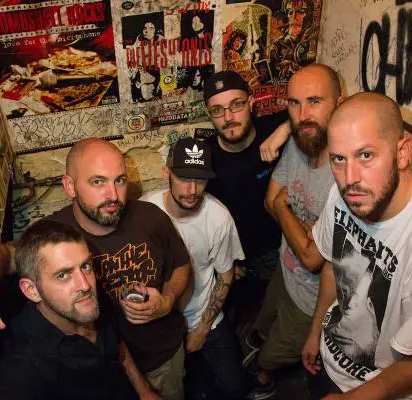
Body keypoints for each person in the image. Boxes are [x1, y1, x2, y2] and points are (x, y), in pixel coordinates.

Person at [0, 139, 191, 400]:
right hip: (105, 369)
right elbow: (10, 256)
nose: (113, 195)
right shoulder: (57, 236)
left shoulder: (150, 216)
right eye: (97, 182)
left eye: (119, 180)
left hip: (162, 357)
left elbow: (181, 264)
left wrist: (166, 301)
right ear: (70, 186)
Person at [304, 92, 412, 399]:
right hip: (330, 361)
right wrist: (316, 329)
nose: (349, 179)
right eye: (339, 159)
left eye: (366, 155)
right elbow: (333, 265)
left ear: (402, 153)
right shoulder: (343, 196)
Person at [244, 64, 344, 399]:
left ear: (339, 103)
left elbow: (313, 259)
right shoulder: (300, 141)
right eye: (294, 103)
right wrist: (302, 234)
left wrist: (284, 209)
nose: (303, 115)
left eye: (314, 101)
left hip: (311, 301)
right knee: (262, 324)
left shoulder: (344, 176)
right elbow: (267, 201)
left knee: (273, 355)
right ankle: (256, 348)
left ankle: (264, 378)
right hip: (285, 271)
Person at [0, 219, 151, 399]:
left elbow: (116, 343)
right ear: (32, 290)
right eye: (63, 275)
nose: (85, 285)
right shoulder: (24, 370)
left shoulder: (87, 299)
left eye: (86, 266)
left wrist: (144, 391)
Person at [141, 138, 248, 399]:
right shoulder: (146, 211)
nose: (192, 189)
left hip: (204, 318)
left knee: (234, 388)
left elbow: (225, 275)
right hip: (162, 324)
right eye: (184, 178)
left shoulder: (218, 217)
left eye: (200, 180)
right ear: (166, 173)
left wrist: (202, 329)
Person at [202, 70, 288, 328]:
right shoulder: (205, 157)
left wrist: (286, 128)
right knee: (238, 322)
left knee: (276, 319)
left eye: (236, 105)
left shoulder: (273, 127)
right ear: (209, 114)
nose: (228, 117)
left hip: (280, 252)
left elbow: (326, 111)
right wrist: (222, 261)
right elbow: (198, 215)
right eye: (218, 110)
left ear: (250, 103)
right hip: (235, 261)